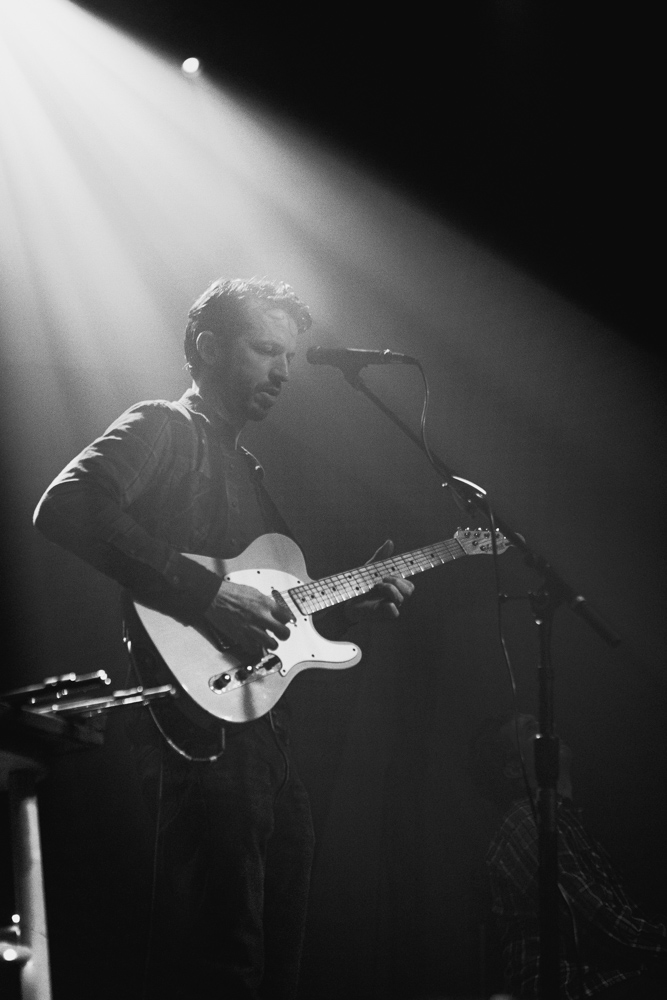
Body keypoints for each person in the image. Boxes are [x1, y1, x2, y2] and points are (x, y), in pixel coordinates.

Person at [33, 277, 414, 1000]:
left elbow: (272, 618)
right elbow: (67, 505)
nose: (282, 371)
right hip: (199, 737)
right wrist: (208, 594)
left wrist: (346, 607)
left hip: (263, 738)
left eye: (290, 357)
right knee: (220, 964)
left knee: (276, 968)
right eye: (265, 349)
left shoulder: (249, 467)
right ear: (208, 347)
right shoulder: (162, 428)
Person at [467, 712, 667, 999]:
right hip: (578, 988)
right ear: (513, 767)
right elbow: (593, 924)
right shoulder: (526, 822)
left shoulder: (567, 821)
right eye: (531, 730)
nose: (550, 729)